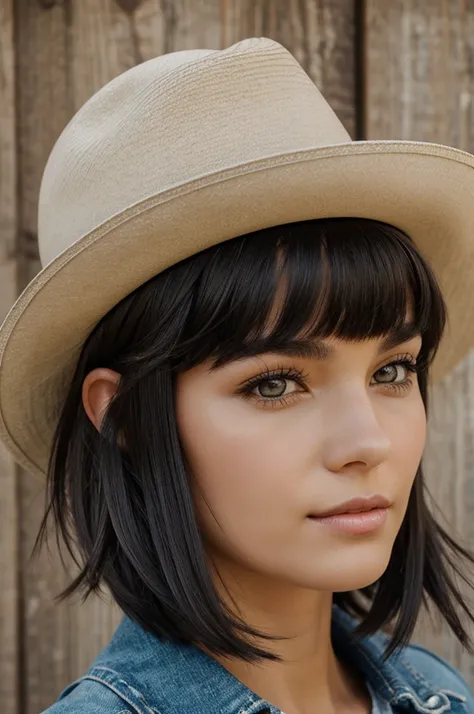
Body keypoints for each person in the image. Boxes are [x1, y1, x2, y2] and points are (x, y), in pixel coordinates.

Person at [0, 37, 473, 714]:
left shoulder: (440, 695)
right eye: (275, 384)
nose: (368, 442)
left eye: (392, 369)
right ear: (125, 414)